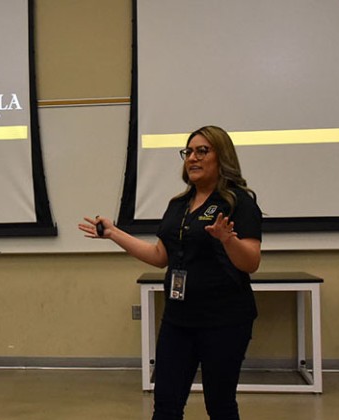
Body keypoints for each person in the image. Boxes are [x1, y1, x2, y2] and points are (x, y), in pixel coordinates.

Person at [79, 125, 262, 420]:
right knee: (165, 404)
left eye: (203, 151)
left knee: (220, 405)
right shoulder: (178, 205)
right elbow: (160, 256)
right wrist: (114, 233)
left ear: (222, 156)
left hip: (225, 320)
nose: (192, 158)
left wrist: (228, 240)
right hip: (178, 318)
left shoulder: (237, 202)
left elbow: (251, 262)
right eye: (188, 152)